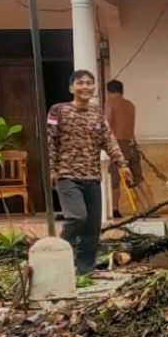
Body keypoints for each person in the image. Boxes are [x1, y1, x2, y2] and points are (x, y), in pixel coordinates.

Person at [47, 70, 131, 275]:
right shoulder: (58, 111)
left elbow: (109, 140)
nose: (85, 87)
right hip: (67, 175)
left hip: (92, 176)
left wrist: (122, 164)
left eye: (89, 83)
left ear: (94, 88)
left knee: (92, 227)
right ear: (71, 88)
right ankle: (61, 253)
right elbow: (50, 142)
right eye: (80, 83)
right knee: (77, 217)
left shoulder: (97, 113)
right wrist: (51, 169)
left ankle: (84, 269)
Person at [104, 79, 150, 217]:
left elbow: (107, 125)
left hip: (118, 144)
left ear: (108, 92)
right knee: (138, 178)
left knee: (114, 178)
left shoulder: (109, 104)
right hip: (132, 144)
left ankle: (115, 209)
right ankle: (150, 207)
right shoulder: (131, 105)